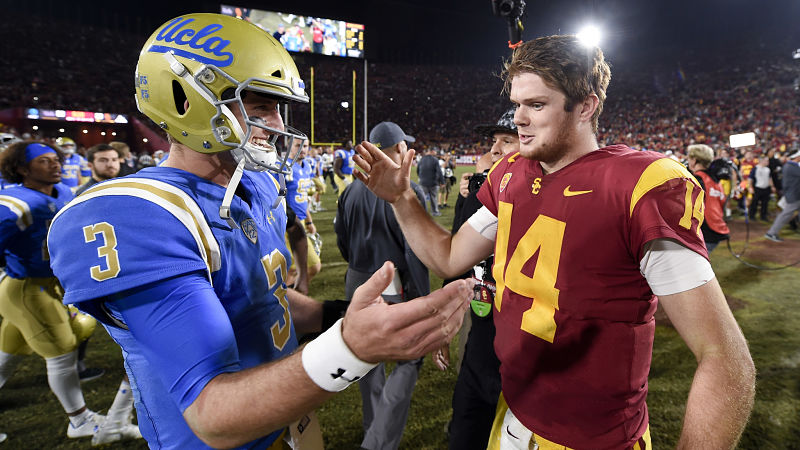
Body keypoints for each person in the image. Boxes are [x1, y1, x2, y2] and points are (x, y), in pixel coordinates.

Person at [47, 13, 471, 449]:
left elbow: (267, 301)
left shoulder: (256, 184)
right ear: (187, 98)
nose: (279, 124)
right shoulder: (145, 215)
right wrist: (351, 347)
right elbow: (212, 413)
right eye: (261, 105)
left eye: (278, 107)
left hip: (286, 420)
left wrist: (347, 316)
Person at [353, 34, 755, 450]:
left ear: (586, 106)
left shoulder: (639, 186)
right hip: (511, 418)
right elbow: (448, 257)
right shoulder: (510, 173)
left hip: (592, 439)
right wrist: (401, 199)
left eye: (537, 105)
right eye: (517, 104)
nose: (519, 119)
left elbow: (725, 358)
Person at [0, 141, 106, 439]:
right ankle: (80, 420)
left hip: (47, 285)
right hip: (27, 289)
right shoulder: (15, 204)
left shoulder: (61, 193)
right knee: (62, 352)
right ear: (22, 169)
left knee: (6, 356)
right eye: (45, 161)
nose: (56, 164)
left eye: (56, 159)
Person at [335, 122, 428, 450]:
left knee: (367, 360)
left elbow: (343, 243)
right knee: (408, 359)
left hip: (358, 282)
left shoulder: (349, 190)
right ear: (401, 149)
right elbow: (416, 254)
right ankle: (380, 441)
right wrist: (424, 301)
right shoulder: (408, 191)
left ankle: (371, 428)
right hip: (395, 284)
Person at [439, 108, 518, 450]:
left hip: (524, 354)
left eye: (507, 140)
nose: (495, 149)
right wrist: (446, 316)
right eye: (494, 141)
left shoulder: (548, 199)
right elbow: (457, 259)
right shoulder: (480, 192)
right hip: (482, 342)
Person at [687, 144, 731, 252]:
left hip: (706, 232)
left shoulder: (697, 180)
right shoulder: (715, 180)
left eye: (689, 158)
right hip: (716, 229)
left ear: (694, 160)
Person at [765, 150, 800, 242]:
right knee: (785, 214)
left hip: (795, 194)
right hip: (794, 195)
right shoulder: (791, 166)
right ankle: (771, 233)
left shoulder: (791, 165)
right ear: (797, 157)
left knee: (787, 214)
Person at [416, 148, 444, 216]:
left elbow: (418, 170)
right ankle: (434, 212)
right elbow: (439, 171)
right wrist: (442, 182)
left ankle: (421, 212)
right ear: (431, 151)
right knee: (433, 197)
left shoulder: (421, 159)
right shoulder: (435, 160)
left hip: (423, 182)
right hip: (433, 182)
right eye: (434, 151)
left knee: (422, 198)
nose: (435, 152)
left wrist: (421, 178)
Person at [748, 156, 774, 221]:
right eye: (766, 161)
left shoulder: (768, 169)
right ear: (762, 161)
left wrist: (772, 186)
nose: (768, 162)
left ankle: (763, 216)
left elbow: (770, 178)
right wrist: (750, 187)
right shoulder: (755, 168)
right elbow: (750, 179)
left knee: (765, 203)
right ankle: (752, 215)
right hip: (757, 188)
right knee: (754, 203)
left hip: (766, 188)